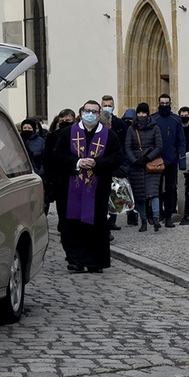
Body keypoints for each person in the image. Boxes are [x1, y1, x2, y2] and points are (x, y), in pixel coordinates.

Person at [53, 100, 122, 273]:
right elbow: (58, 154)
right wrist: (77, 162)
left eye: (94, 111)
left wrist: (97, 162)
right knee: (73, 223)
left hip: (97, 189)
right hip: (72, 187)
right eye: (87, 110)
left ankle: (95, 262)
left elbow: (117, 158)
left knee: (95, 223)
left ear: (99, 115)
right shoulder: (68, 132)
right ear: (81, 112)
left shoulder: (109, 135)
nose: (90, 114)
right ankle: (75, 260)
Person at [125, 103, 163, 233]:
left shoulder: (155, 128)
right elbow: (128, 147)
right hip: (136, 166)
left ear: (147, 113)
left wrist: (147, 158)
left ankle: (156, 218)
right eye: (139, 113)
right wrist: (134, 160)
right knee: (139, 195)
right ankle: (143, 221)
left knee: (153, 193)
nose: (141, 115)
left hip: (151, 165)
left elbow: (159, 146)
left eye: (144, 113)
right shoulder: (131, 128)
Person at [151, 93, 186, 228]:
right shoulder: (153, 119)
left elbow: (181, 142)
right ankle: (158, 214)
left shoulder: (176, 120)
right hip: (157, 160)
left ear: (170, 104)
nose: (164, 105)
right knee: (157, 188)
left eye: (167, 103)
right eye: (162, 103)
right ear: (158, 103)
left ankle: (168, 217)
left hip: (171, 160)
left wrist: (182, 160)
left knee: (171, 188)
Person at [101, 95, 129, 231]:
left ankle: (112, 220)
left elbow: (124, 145)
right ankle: (103, 220)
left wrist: (123, 164)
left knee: (115, 193)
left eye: (109, 105)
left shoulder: (120, 124)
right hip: (101, 164)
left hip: (117, 164)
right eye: (105, 105)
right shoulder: (97, 123)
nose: (107, 107)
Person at [43, 108, 76, 216]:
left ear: (74, 120)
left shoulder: (79, 135)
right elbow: (47, 158)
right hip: (58, 177)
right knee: (62, 207)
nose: (64, 123)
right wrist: (49, 179)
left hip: (76, 175)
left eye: (68, 121)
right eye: (62, 121)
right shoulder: (52, 136)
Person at [121, 108, 140, 226]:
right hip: (124, 163)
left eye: (130, 120)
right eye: (126, 120)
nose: (128, 122)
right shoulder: (122, 130)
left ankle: (133, 216)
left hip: (134, 163)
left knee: (135, 192)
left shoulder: (136, 131)